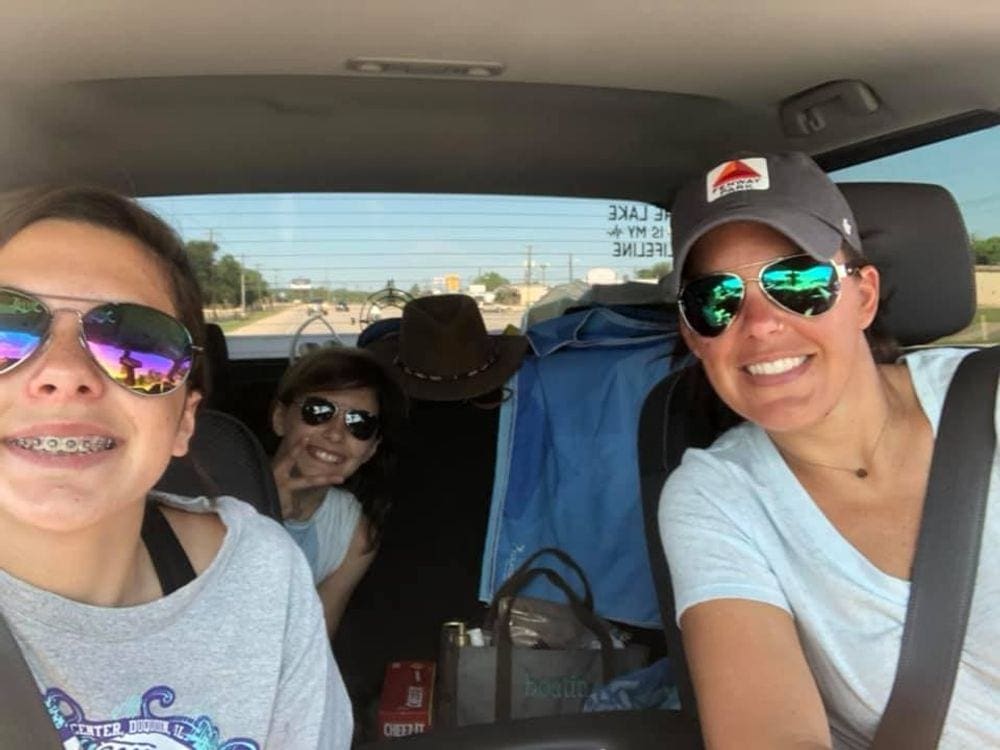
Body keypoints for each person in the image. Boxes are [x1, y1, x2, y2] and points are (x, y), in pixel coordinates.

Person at [657, 152, 997, 749]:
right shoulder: (718, 497)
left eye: (799, 283)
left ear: (863, 297)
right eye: (717, 299)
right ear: (694, 333)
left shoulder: (990, 398)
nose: (759, 324)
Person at [0, 186, 351, 748]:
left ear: (185, 421)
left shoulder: (261, 575)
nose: (64, 372)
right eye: (5, 328)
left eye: (134, 343)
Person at [271, 346, 404, 637]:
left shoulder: (354, 532)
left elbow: (314, 647)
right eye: (318, 411)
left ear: (370, 449)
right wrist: (261, 522)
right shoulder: (216, 497)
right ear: (280, 418)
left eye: (359, 423)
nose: (335, 433)